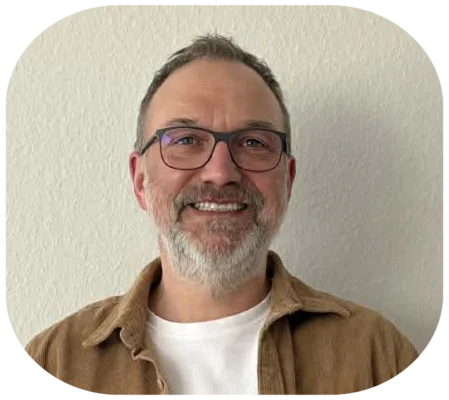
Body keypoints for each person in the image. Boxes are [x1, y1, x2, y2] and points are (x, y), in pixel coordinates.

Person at [24, 33, 419, 397]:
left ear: (288, 180)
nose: (221, 172)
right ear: (140, 179)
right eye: (186, 140)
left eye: (253, 142)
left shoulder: (377, 356)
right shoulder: (56, 362)